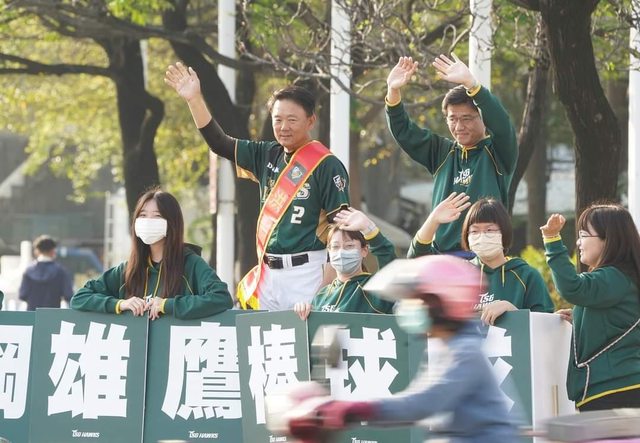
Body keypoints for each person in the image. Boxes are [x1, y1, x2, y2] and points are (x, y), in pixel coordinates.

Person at [165, 63, 350, 311]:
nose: (283, 127)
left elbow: (340, 228)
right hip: (268, 273)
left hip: (308, 274)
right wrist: (194, 99)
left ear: (310, 121)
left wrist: (326, 290)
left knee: (308, 337)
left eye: (292, 120)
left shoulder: (326, 164)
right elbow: (219, 143)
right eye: (278, 119)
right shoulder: (266, 153)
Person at [285, 255, 519, 442]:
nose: (410, 307)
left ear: (443, 303)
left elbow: (422, 403)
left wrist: (355, 408)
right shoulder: (444, 347)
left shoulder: (465, 352)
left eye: (419, 300)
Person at [386, 54, 517, 255]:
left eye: (467, 118)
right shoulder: (442, 152)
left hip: (484, 256)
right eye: (452, 119)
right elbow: (404, 131)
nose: (459, 126)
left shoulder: (498, 151)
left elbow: (502, 125)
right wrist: (393, 91)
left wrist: (472, 85)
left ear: (483, 118)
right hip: (443, 257)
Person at [71, 188, 233, 320]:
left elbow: (221, 297)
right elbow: (79, 298)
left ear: (172, 223)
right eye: (142, 215)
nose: (148, 221)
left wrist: (167, 305)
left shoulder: (191, 264)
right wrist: (120, 304)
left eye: (157, 216)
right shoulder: (128, 269)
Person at [541, 205, 640, 411]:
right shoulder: (621, 278)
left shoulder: (614, 276)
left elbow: (572, 287)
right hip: (617, 388)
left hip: (614, 391)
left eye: (584, 235)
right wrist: (580, 317)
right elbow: (612, 321)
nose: (578, 242)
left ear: (609, 240)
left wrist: (552, 240)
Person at [409, 194, 553, 325]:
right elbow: (419, 261)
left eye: (489, 230)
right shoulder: (459, 274)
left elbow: (545, 326)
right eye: (474, 231)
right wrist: (433, 220)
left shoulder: (527, 276)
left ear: (504, 232)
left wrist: (513, 312)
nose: (482, 236)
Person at [293, 208, 395, 320]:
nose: (341, 252)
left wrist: (370, 229)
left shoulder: (372, 288)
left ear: (364, 250)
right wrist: (304, 311)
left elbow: (389, 262)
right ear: (329, 251)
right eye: (335, 247)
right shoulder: (321, 296)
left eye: (349, 246)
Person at [19, 235, 74, 310]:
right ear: (53, 251)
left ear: (37, 251)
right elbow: (68, 295)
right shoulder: (61, 272)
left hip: (32, 315)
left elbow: (22, 295)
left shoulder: (28, 271)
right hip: (52, 314)